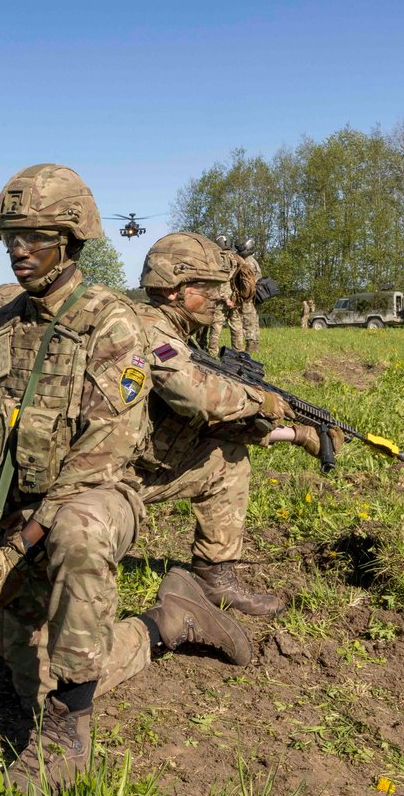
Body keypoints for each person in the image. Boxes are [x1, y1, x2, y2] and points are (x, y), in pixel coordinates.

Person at [0, 164, 253, 790]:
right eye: (10, 238)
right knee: (29, 678)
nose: (20, 252)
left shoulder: (112, 323)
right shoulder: (1, 325)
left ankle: (70, 734)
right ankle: (170, 622)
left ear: (71, 241)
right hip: (23, 507)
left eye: (36, 237)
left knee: (81, 528)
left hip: (98, 497)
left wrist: (20, 543)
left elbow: (101, 456)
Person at [133, 232, 344, 616]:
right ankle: (212, 580)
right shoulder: (150, 333)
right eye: (208, 289)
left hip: (128, 465)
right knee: (227, 463)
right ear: (173, 289)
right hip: (106, 483)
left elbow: (204, 423)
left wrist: (295, 432)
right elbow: (196, 397)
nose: (218, 299)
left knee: (228, 456)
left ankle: (214, 577)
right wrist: (262, 400)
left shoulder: (169, 330)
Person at [206, 235, 245, 355]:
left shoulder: (219, 259)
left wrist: (225, 298)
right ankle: (239, 352)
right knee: (237, 326)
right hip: (236, 298)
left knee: (216, 326)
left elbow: (220, 281)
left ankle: (213, 351)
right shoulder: (238, 258)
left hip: (222, 299)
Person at [236, 239, 262, 354]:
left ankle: (251, 347)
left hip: (248, 298)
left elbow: (247, 284)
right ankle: (255, 346)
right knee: (254, 320)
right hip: (253, 296)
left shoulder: (248, 262)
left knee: (248, 322)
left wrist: (242, 297)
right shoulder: (252, 260)